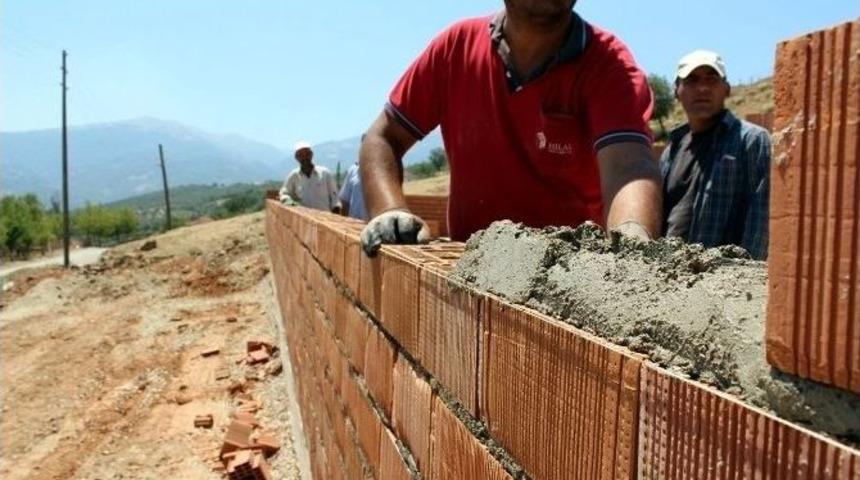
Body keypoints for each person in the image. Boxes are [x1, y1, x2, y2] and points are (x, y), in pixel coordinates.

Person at [358, 0, 662, 255]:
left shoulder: (609, 66)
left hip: (567, 285)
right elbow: (382, 137)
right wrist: (389, 211)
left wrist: (629, 244)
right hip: (468, 273)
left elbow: (628, 169)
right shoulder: (456, 48)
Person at [660, 50, 770, 260]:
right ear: (677, 91)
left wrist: (746, 282)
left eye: (711, 79)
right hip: (669, 279)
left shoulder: (751, 141)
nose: (702, 88)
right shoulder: (670, 151)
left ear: (726, 89)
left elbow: (760, 222)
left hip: (721, 284)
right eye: (692, 80)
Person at [279, 141, 341, 213]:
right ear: (296, 158)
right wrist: (290, 202)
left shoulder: (325, 174)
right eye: (301, 155)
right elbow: (284, 193)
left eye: (307, 154)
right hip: (303, 219)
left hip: (324, 219)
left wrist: (335, 217)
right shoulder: (294, 176)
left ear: (311, 155)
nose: (305, 157)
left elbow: (335, 199)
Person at [339, 135, 370, 221]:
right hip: (353, 225)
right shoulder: (353, 170)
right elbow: (345, 201)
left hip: (374, 227)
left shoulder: (384, 171)